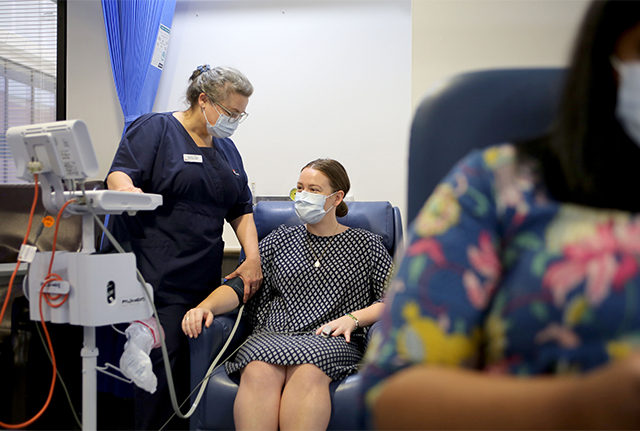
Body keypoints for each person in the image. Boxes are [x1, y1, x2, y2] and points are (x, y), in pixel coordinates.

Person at [361, 1, 640, 429]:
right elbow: (393, 394)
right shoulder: (496, 186)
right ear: (609, 55)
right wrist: (580, 407)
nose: (302, 197)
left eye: (313, 188)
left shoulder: (359, 242)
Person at [182, 158, 394, 430]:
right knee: (257, 370)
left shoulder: (366, 245)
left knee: (308, 372)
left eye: (314, 190)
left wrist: (353, 318)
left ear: (337, 197)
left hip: (328, 337)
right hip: (273, 332)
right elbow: (241, 286)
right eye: (299, 188)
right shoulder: (278, 240)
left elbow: (392, 300)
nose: (303, 196)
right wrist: (206, 307)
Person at [105, 65, 263, 430]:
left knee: (196, 373)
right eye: (231, 113)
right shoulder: (156, 129)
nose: (235, 121)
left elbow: (241, 209)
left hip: (203, 276)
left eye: (241, 115)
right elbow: (120, 172)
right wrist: (126, 190)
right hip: (158, 275)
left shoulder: (227, 150)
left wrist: (252, 257)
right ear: (203, 100)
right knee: (165, 370)